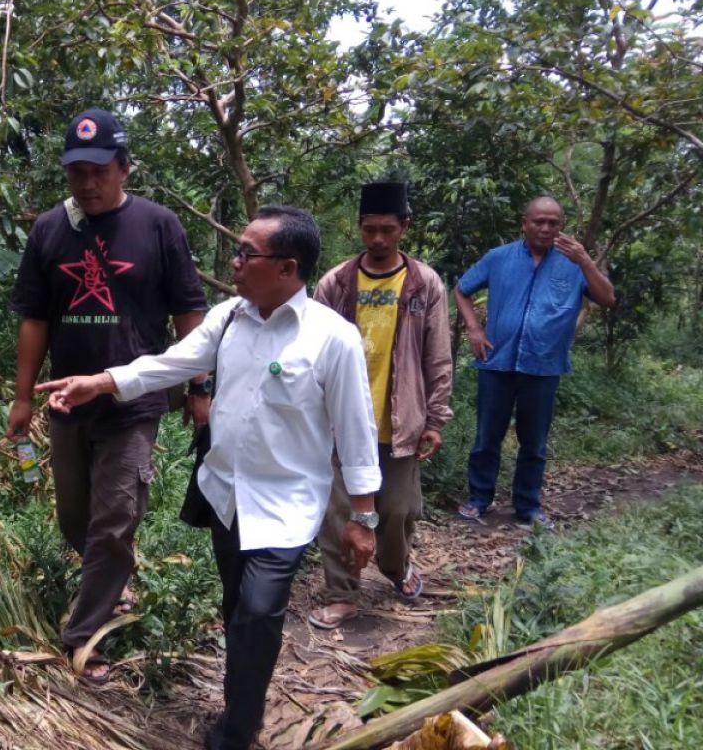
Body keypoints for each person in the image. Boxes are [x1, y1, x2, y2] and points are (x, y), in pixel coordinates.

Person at [36, 205, 382, 750]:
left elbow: (357, 431)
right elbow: (170, 363)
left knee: (260, 612)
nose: (236, 263)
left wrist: (363, 517)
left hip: (287, 506)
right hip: (226, 495)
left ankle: (238, 730)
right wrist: (98, 382)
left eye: (248, 253)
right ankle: (238, 700)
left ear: (287, 268)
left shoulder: (331, 339)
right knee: (234, 607)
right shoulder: (229, 317)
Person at [6, 108, 210, 684]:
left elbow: (188, 310)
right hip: (67, 400)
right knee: (77, 516)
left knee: (115, 517)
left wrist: (199, 386)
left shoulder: (158, 224)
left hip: (134, 403)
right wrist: (22, 397)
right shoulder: (50, 229)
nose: (88, 184)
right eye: (77, 173)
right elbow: (33, 318)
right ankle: (113, 579)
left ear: (123, 168)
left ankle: (84, 636)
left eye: (99, 170)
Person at [307, 182, 453, 631]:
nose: (377, 239)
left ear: (404, 227)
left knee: (398, 510)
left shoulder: (423, 283)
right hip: (339, 421)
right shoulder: (335, 282)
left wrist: (435, 417)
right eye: (369, 229)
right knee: (336, 514)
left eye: (387, 230)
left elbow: (437, 354)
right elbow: (310, 349)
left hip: (400, 420)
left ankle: (396, 565)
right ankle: (342, 594)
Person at [455, 196, 615, 527]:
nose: (545, 228)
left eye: (552, 223)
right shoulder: (499, 258)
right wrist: (473, 328)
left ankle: (527, 505)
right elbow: (462, 289)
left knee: (534, 442)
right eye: (538, 221)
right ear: (524, 222)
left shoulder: (573, 263)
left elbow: (607, 298)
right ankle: (479, 498)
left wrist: (586, 261)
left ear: (561, 226)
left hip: (544, 365)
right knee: (487, 436)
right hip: (496, 362)